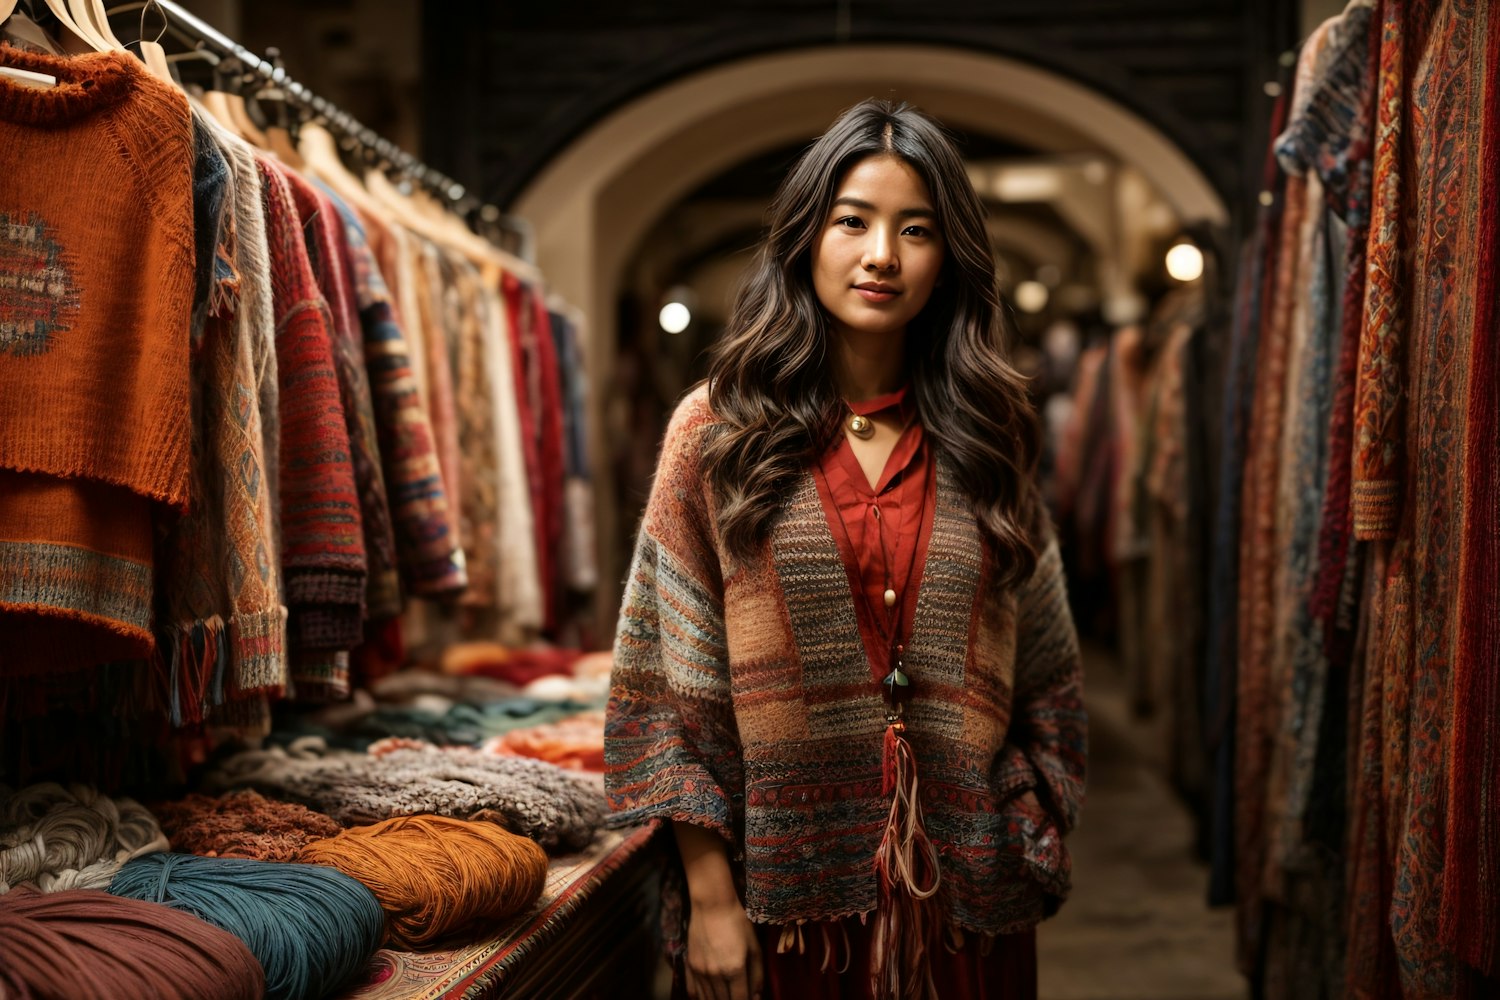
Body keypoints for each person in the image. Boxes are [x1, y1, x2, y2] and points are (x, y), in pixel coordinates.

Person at [605, 98, 1087, 1000]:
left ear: (948, 262)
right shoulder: (715, 433)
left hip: (969, 908)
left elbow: (1049, 676)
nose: (882, 256)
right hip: (782, 916)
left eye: (917, 230)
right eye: (852, 222)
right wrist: (710, 899)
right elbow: (655, 695)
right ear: (804, 239)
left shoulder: (991, 437)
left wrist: (1027, 814)